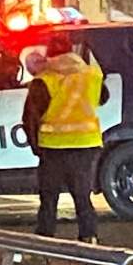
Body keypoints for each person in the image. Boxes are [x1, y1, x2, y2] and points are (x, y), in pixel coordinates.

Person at [22, 34, 107, 242]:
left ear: (49, 54)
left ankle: (44, 245)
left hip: (53, 149)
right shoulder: (91, 75)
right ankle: (90, 244)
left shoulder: (45, 80)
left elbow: (29, 118)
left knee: (49, 201)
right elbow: (103, 98)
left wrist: (37, 148)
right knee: (83, 199)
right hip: (86, 145)